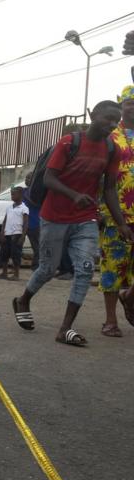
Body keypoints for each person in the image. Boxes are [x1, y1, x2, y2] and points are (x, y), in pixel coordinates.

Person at [12, 101, 128, 344]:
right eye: (107, 118)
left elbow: (109, 190)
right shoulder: (69, 143)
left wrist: (121, 223)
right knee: (48, 268)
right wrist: (74, 195)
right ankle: (23, 300)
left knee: (85, 269)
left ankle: (65, 328)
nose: (111, 124)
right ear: (92, 115)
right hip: (54, 217)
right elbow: (49, 179)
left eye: (115, 121)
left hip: (85, 218)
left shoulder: (111, 149)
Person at [99, 86, 134, 337]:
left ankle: (129, 297)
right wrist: (96, 209)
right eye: (130, 102)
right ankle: (110, 320)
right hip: (115, 214)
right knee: (113, 267)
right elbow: (96, 175)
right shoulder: (110, 137)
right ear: (122, 106)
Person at [0, 187, 28, 281]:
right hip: (7, 234)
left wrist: (23, 236)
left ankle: (16, 274)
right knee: (4, 253)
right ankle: (4, 272)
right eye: (11, 194)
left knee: (15, 254)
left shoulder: (24, 208)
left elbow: (25, 223)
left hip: (17, 234)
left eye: (14, 194)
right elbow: (5, 220)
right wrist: (2, 233)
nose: (12, 196)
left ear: (21, 195)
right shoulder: (9, 207)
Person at [22, 171, 40, 271]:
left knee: (36, 246)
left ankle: (36, 266)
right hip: (23, 223)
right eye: (26, 178)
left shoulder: (36, 192)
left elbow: (36, 204)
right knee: (18, 244)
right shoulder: (24, 191)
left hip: (34, 222)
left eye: (29, 178)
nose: (26, 180)